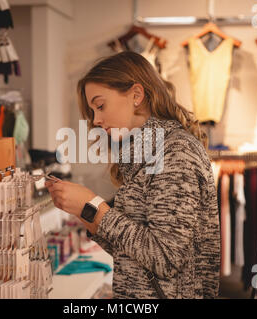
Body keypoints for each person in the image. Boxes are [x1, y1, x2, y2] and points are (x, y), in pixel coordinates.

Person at [45, 51, 220, 299]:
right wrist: (83, 210)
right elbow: (133, 249)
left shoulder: (175, 153)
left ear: (136, 95)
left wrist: (94, 207)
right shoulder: (144, 155)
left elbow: (165, 259)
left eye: (100, 106)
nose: (96, 120)